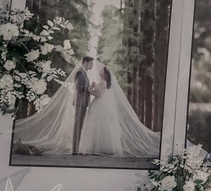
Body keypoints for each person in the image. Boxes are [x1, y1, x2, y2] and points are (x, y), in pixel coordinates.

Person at [14, 55, 161, 158]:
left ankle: (78, 148)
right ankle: (75, 149)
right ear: (86, 62)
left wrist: (92, 89)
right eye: (91, 64)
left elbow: (97, 93)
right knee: (79, 125)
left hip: (89, 103)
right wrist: (90, 89)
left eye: (97, 67)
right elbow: (80, 88)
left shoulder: (94, 78)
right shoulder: (80, 73)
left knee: (85, 126)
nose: (93, 66)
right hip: (80, 103)